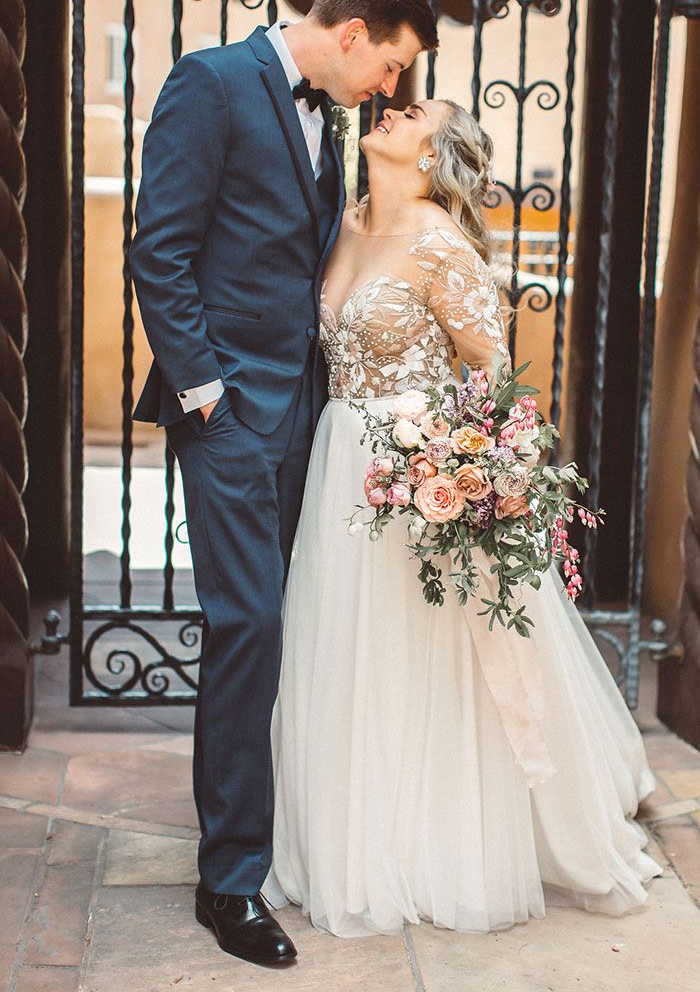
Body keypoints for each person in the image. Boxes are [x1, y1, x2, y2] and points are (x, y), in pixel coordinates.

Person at [267, 99, 663, 937]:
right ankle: (343, 831)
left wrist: (470, 474)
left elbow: (493, 373)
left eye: (416, 112)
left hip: (418, 470)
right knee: (343, 647)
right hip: (340, 459)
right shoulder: (342, 218)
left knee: (422, 659)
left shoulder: (441, 244)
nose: (393, 108)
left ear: (434, 152)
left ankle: (429, 842)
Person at [129, 0, 438, 968]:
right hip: (226, 417)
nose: (389, 88)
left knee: (298, 624)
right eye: (390, 66)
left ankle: (293, 837)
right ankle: (230, 884)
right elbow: (159, 248)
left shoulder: (333, 120)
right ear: (352, 36)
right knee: (248, 624)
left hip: (306, 414)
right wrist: (205, 388)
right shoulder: (210, 85)